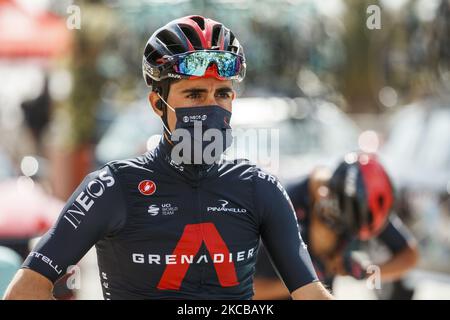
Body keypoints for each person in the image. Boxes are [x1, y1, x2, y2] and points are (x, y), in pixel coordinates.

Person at [4, 15, 332, 300]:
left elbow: (310, 293)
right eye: (194, 94)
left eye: (222, 94)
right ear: (158, 104)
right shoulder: (112, 187)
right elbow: (24, 290)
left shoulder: (260, 188)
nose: (211, 107)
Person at [253, 152, 418, 299]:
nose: (345, 234)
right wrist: (307, 279)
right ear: (327, 200)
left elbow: (409, 255)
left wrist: (368, 272)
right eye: (343, 227)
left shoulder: (362, 211)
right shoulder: (283, 205)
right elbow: (244, 292)